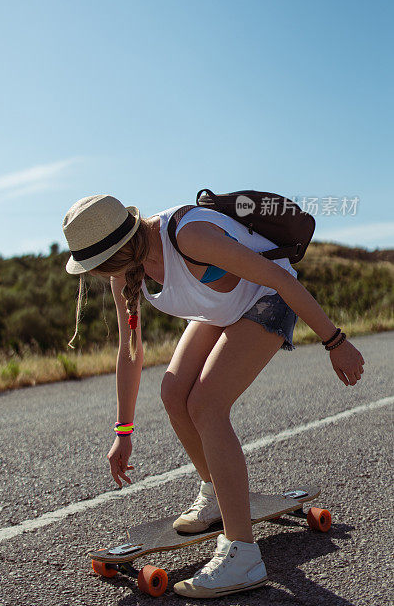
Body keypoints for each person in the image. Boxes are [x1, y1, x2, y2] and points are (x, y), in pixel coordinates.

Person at [62, 194, 364, 599]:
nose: (97, 276)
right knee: (173, 391)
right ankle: (214, 494)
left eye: (95, 267)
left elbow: (281, 280)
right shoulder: (126, 271)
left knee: (206, 405)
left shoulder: (189, 236)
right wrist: (123, 429)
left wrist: (335, 340)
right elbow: (129, 351)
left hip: (268, 299)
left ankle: (242, 554)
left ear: (114, 251)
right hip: (221, 309)